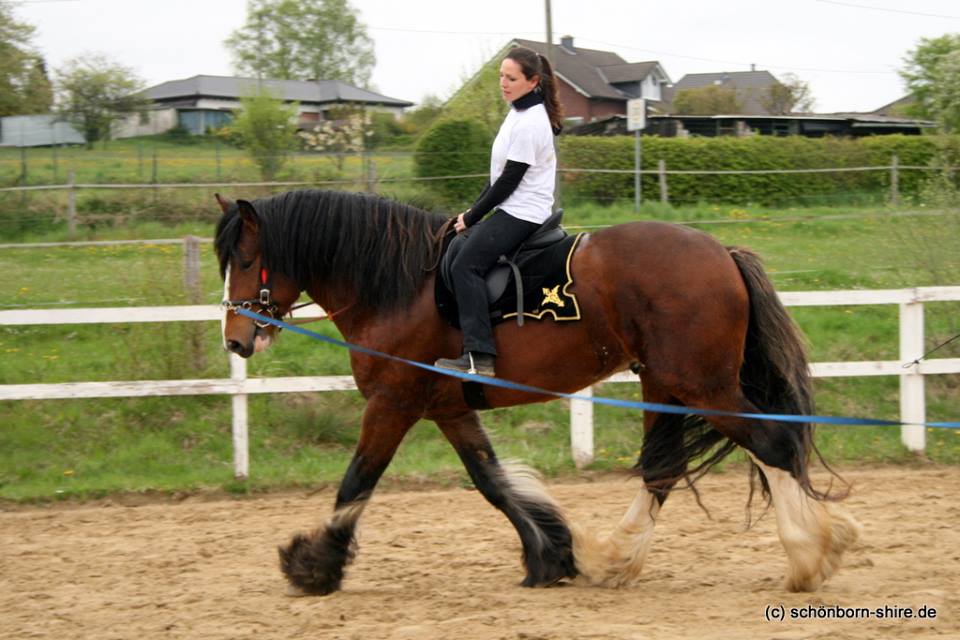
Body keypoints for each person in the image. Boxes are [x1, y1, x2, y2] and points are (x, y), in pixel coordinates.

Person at [435, 46, 564, 377]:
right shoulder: (517, 112)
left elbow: (508, 181)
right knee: (456, 246)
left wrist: (473, 217)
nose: (503, 83)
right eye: (501, 77)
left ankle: (480, 355)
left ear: (533, 81)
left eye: (511, 78)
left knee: (467, 265)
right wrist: (470, 212)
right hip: (511, 206)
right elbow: (497, 177)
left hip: (524, 212)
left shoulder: (530, 123)